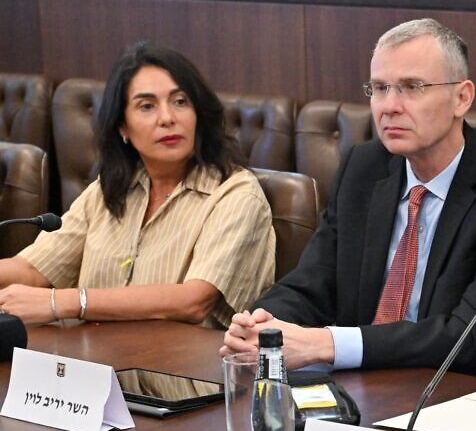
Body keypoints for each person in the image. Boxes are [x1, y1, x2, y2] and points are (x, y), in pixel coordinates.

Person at [222, 18, 476, 380]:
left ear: (462, 97)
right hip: (367, 385)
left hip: (465, 393)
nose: (389, 106)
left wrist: (327, 344)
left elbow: (468, 335)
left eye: (412, 87)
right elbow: (315, 280)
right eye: (380, 88)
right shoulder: (364, 168)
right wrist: (262, 326)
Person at [0, 42, 274, 330]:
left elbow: (193, 301)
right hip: (96, 365)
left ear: (199, 115)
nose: (167, 118)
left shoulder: (236, 194)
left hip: (177, 371)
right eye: (147, 106)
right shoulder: (109, 189)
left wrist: (64, 303)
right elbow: (33, 270)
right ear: (123, 127)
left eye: (180, 102)